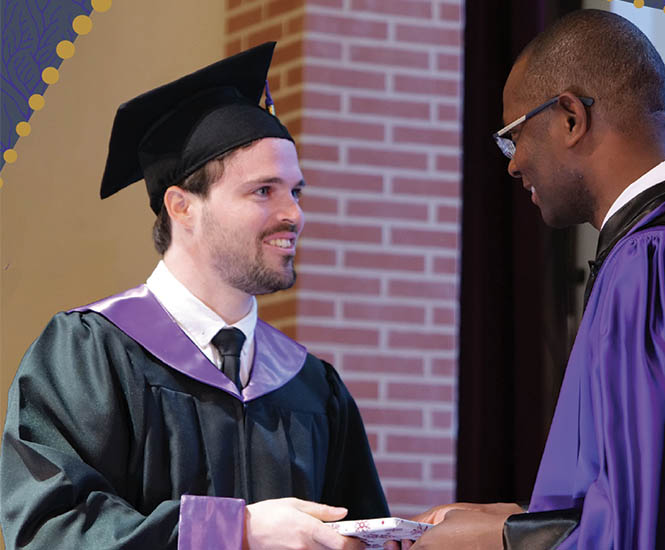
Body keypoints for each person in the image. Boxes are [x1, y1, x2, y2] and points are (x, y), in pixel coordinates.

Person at [398, 9, 665, 550]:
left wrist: (501, 541)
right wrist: (519, 517)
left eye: (513, 136)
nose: (513, 165)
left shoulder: (651, 263)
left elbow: (646, 534)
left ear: (569, 118)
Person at [0, 42, 388, 550]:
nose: (293, 214)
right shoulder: (89, 355)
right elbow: (50, 530)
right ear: (182, 206)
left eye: (296, 191)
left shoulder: (312, 387)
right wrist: (236, 532)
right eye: (263, 190)